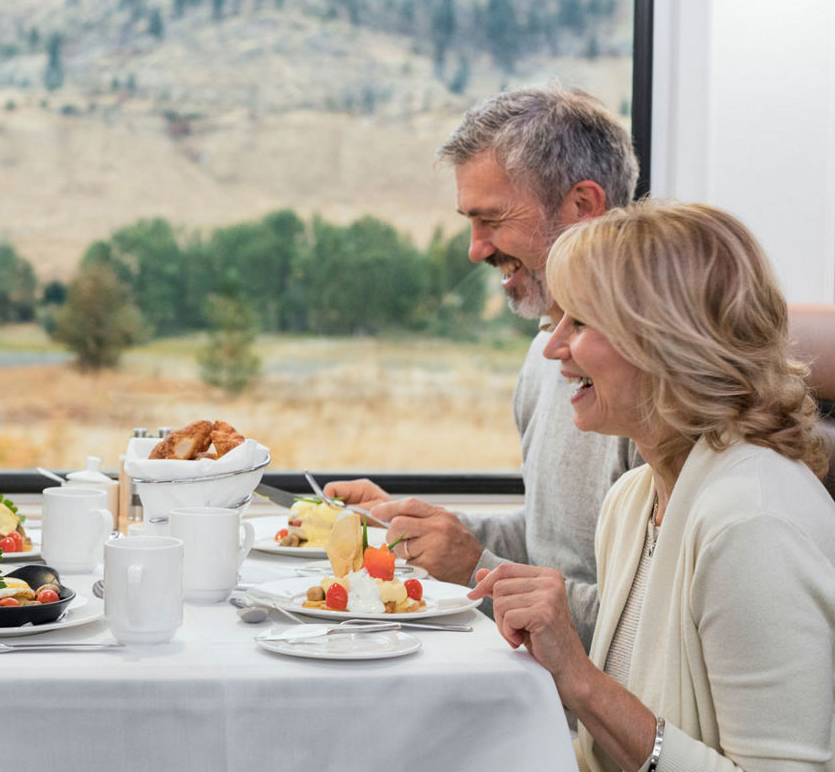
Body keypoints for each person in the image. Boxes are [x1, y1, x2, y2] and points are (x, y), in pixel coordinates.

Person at [470, 201, 835, 770]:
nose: (552, 347)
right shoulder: (632, 501)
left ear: (665, 344)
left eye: (581, 322)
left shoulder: (752, 523)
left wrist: (581, 681)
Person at [325, 86, 642, 648]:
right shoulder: (546, 351)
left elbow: (643, 627)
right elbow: (552, 543)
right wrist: (423, 533)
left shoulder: (643, 380)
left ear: (583, 208)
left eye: (491, 219)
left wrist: (477, 569)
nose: (475, 249)